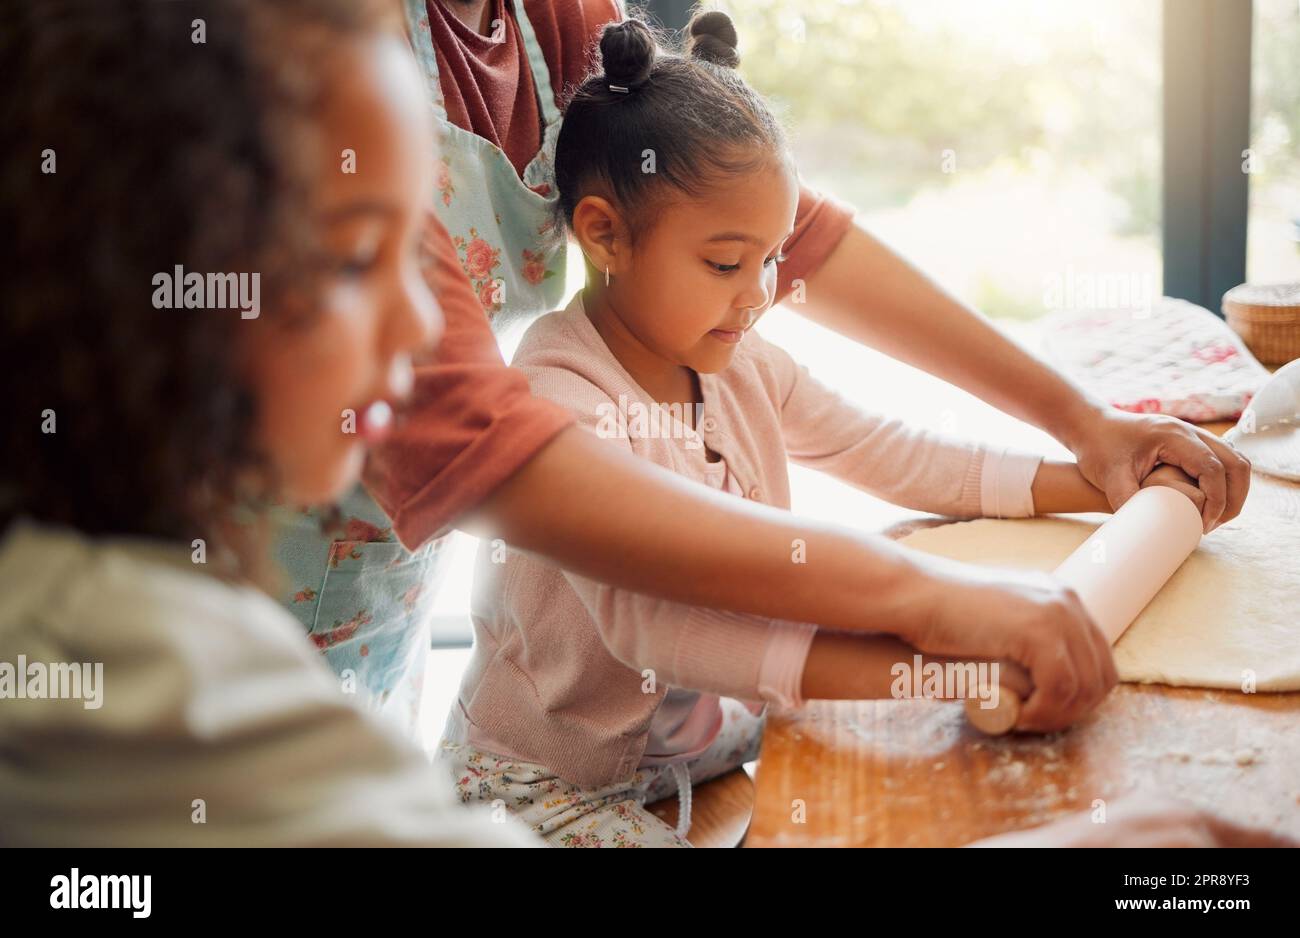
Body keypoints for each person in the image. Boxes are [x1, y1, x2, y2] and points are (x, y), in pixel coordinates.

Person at [270, 0, 1251, 740]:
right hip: (241, 607)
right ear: (602, 236)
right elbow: (474, 441)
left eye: (762, 263)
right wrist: (929, 620)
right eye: (730, 268)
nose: (762, 289)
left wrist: (1090, 441)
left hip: (382, 616)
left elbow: (810, 287)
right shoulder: (286, 57)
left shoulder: (545, 18)